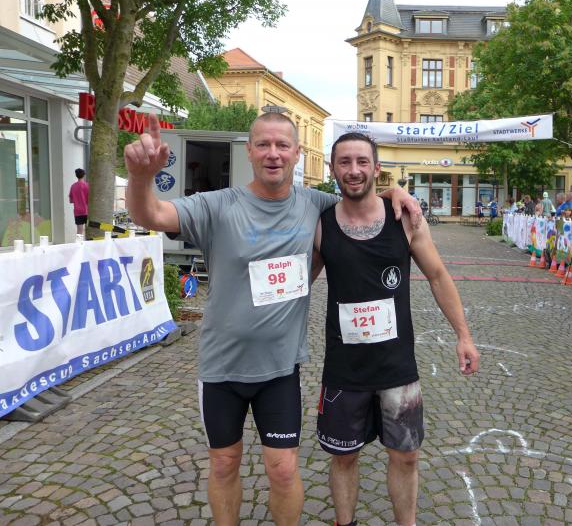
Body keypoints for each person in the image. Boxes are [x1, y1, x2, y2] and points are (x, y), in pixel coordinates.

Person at [124, 113, 419, 526]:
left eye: (282, 145)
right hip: (222, 367)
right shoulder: (218, 205)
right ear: (249, 151)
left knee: (282, 469)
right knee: (224, 463)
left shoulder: (315, 205)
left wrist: (395, 190)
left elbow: (358, 192)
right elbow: (151, 215)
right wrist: (140, 178)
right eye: (263, 144)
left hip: (280, 369)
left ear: (297, 154)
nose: (273, 154)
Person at [313, 132, 479, 526]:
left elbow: (438, 276)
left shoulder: (404, 219)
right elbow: (298, 286)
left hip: (397, 367)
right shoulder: (320, 225)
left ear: (376, 168)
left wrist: (464, 335)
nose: (353, 170)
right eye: (344, 162)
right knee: (343, 456)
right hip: (344, 369)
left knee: (406, 456)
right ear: (332, 168)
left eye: (362, 161)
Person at [69, 168, 90, 235]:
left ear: (76, 175)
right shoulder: (87, 185)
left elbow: (71, 200)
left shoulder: (73, 186)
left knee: (79, 231)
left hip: (77, 211)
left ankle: (79, 242)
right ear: (84, 175)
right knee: (88, 230)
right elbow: (89, 199)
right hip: (87, 211)